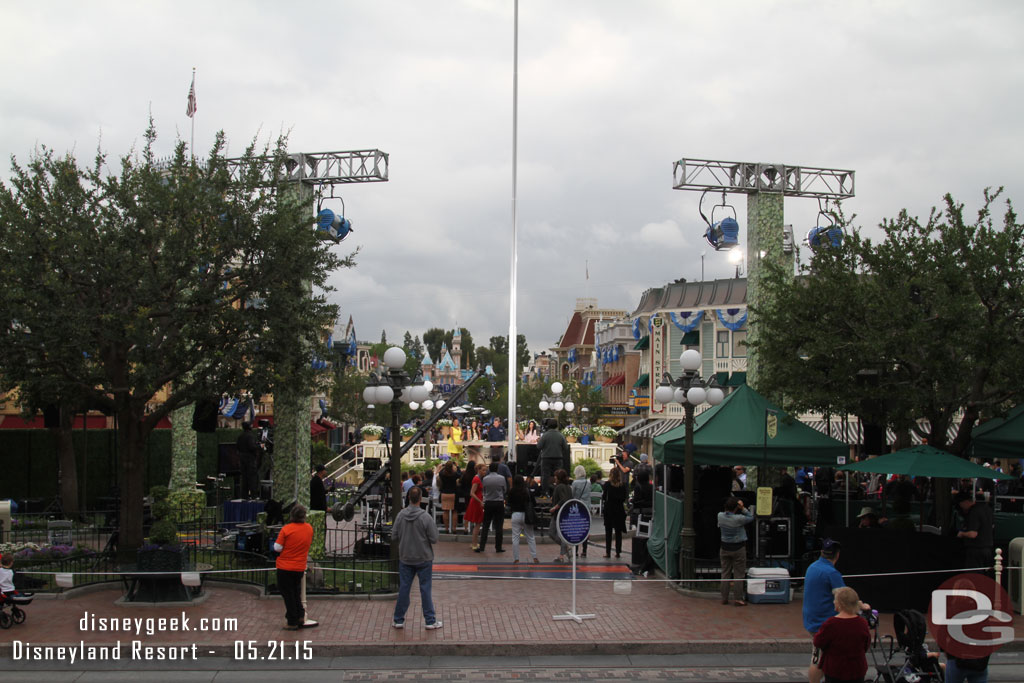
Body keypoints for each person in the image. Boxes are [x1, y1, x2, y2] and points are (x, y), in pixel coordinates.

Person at [803, 539, 870, 683]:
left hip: (811, 619)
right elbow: (846, 597)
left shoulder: (812, 567)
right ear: (837, 555)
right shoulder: (832, 573)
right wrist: (862, 606)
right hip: (824, 622)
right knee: (820, 660)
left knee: (817, 656)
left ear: (822, 552)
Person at [391, 486, 442, 630]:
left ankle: (398, 619)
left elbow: (394, 536)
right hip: (423, 557)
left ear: (408, 498)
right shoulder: (425, 517)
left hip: (406, 557)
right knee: (425, 589)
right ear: (420, 499)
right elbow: (434, 538)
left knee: (404, 589)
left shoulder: (401, 515)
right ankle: (430, 620)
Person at [812, 586, 871, 683]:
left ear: (841, 604)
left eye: (835, 600)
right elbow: (866, 645)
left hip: (836, 669)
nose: (834, 602)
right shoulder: (862, 623)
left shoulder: (831, 624)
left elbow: (818, 642)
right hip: (857, 669)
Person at [273, 504, 313, 631]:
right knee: (296, 592)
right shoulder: (309, 529)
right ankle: (300, 615)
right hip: (300, 566)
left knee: (288, 593)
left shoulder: (286, 529)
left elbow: (277, 547)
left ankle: (292, 620)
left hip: (285, 566)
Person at [718, 496, 754, 606]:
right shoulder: (739, 519)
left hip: (725, 547)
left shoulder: (720, 516)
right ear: (736, 508)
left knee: (725, 573)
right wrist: (742, 508)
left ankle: (724, 597)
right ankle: (738, 598)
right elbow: (751, 517)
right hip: (738, 547)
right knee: (739, 574)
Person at [955, 491, 995, 573]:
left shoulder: (973, 512)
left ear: (964, 502)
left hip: (976, 548)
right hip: (988, 547)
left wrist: (961, 534)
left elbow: (973, 534)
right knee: (985, 575)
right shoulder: (987, 509)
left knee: (974, 575)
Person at [477, 462, 508, 553]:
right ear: (497, 469)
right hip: (499, 502)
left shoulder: (485, 479)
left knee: (486, 525)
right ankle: (498, 547)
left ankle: (482, 546)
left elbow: (484, 490)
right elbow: (504, 489)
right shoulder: (501, 478)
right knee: (499, 526)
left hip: (489, 502)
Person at [508, 475, 539, 564]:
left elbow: (509, 503)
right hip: (526, 515)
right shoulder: (527, 490)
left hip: (515, 514)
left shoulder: (512, 491)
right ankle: (534, 557)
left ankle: (516, 558)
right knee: (530, 537)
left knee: (515, 537)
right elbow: (534, 503)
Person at [536, 418, 570, 494]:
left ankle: (545, 492)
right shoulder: (561, 435)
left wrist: (539, 441)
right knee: (559, 476)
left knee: (545, 476)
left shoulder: (545, 435)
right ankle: (558, 491)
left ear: (548, 426)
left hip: (546, 459)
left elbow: (539, 447)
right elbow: (566, 447)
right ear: (556, 426)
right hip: (558, 458)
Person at [602, 466, 628, 559]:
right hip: (619, 510)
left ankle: (608, 552)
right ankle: (618, 552)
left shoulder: (607, 484)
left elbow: (604, 497)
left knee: (608, 532)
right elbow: (624, 497)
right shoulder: (622, 485)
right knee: (618, 532)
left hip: (609, 509)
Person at [549, 469, 573, 563]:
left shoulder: (559, 487)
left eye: (556, 477)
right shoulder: (568, 487)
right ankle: (565, 550)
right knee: (562, 535)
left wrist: (555, 507)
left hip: (558, 513)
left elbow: (563, 500)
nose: (554, 478)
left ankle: (562, 555)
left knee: (552, 533)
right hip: (566, 513)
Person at [235, 421, 263, 499]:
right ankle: (254, 496)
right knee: (252, 478)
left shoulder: (240, 436)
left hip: (242, 459)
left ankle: (244, 496)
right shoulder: (250, 436)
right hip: (250, 460)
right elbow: (251, 447)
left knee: (244, 479)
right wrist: (260, 446)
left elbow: (237, 447)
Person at [571, 465, 592, 558]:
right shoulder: (588, 483)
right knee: (585, 529)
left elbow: (572, 495)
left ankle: (575, 551)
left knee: (576, 529)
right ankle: (584, 550)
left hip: (577, 507)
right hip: (587, 507)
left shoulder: (575, 483)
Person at [466, 463, 487, 549]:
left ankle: (474, 543)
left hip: (477, 502)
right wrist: (480, 501)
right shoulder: (477, 479)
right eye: (483, 470)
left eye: (485, 470)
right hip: (476, 502)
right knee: (477, 524)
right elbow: (472, 493)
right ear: (478, 470)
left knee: (477, 524)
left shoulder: (478, 478)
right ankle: (474, 544)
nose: (485, 472)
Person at [438, 460, 460, 533]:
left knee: (445, 511)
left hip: (444, 493)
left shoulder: (442, 474)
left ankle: (446, 528)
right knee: (454, 511)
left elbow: (440, 472)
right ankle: (454, 528)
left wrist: (443, 466)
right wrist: (457, 466)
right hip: (453, 493)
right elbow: (459, 474)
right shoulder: (454, 474)